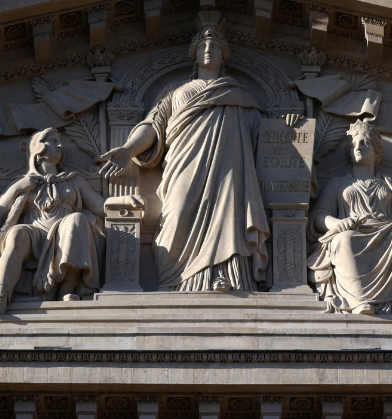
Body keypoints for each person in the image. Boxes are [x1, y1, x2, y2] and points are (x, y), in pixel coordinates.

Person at [99, 25, 271, 292]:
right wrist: (128, 150)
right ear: (194, 54)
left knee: (228, 216)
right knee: (176, 213)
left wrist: (289, 127)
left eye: (214, 46)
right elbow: (153, 124)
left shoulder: (238, 93)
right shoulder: (175, 90)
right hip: (184, 164)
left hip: (228, 169)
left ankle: (225, 275)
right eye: (203, 46)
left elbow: (262, 133)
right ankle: (174, 281)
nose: (208, 50)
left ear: (224, 55)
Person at [309, 117, 392, 315]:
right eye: (354, 144)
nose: (359, 147)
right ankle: (359, 299)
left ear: (376, 150)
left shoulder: (390, 183)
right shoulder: (338, 184)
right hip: (352, 232)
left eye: (365, 142)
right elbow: (318, 216)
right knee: (344, 240)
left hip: (387, 233)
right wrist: (339, 223)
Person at [0, 129, 106, 318]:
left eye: (59, 142)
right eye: (52, 141)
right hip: (34, 233)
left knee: (77, 220)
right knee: (16, 234)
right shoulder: (23, 182)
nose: (59, 145)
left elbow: (100, 206)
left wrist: (122, 202)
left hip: (64, 233)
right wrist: (17, 189)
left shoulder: (74, 180)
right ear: (38, 148)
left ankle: (66, 290)